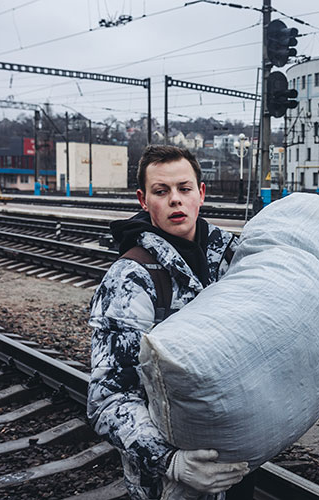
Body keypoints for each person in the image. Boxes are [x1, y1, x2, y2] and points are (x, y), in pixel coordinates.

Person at [87, 145, 249, 500]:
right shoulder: (130, 278)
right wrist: (170, 460)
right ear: (143, 200)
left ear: (201, 193)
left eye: (184, 188)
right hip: (166, 481)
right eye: (162, 191)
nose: (176, 200)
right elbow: (107, 398)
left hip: (239, 461)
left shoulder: (235, 258)